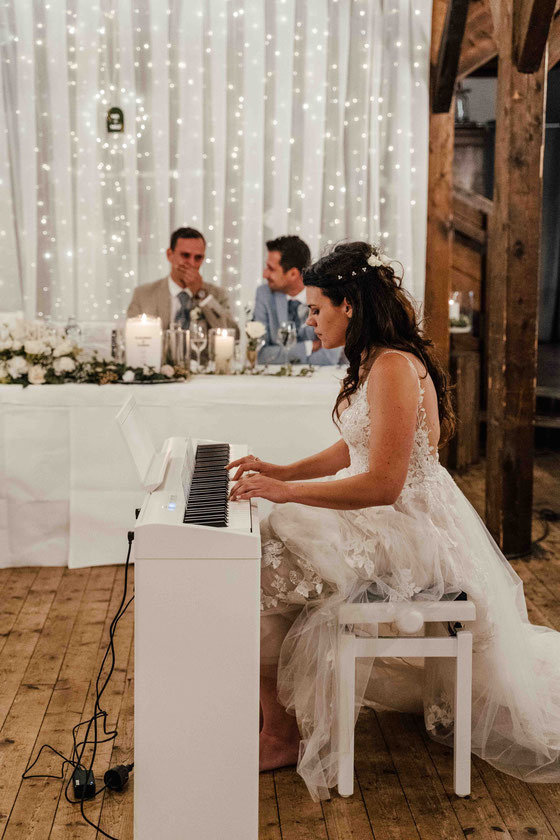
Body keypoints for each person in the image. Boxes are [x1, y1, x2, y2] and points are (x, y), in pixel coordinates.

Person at [228, 240, 560, 802]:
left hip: (410, 528)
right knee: (274, 538)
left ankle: (281, 732)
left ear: (348, 304)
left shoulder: (392, 367)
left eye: (315, 308)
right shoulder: (375, 361)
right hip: (390, 515)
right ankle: (277, 720)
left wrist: (286, 492)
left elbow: (382, 483)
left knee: (273, 546)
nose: (309, 319)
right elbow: (351, 449)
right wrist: (279, 469)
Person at [127, 227, 239, 336]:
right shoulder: (143, 295)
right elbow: (131, 338)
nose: (192, 263)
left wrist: (202, 294)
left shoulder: (217, 294)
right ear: (170, 255)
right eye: (185, 255)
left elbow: (233, 335)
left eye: (198, 257)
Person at [253, 235, 340, 365]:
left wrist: (282, 356)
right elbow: (260, 355)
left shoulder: (327, 294)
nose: (265, 274)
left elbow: (328, 358)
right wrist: (308, 347)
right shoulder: (264, 294)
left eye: (271, 269)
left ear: (293, 274)